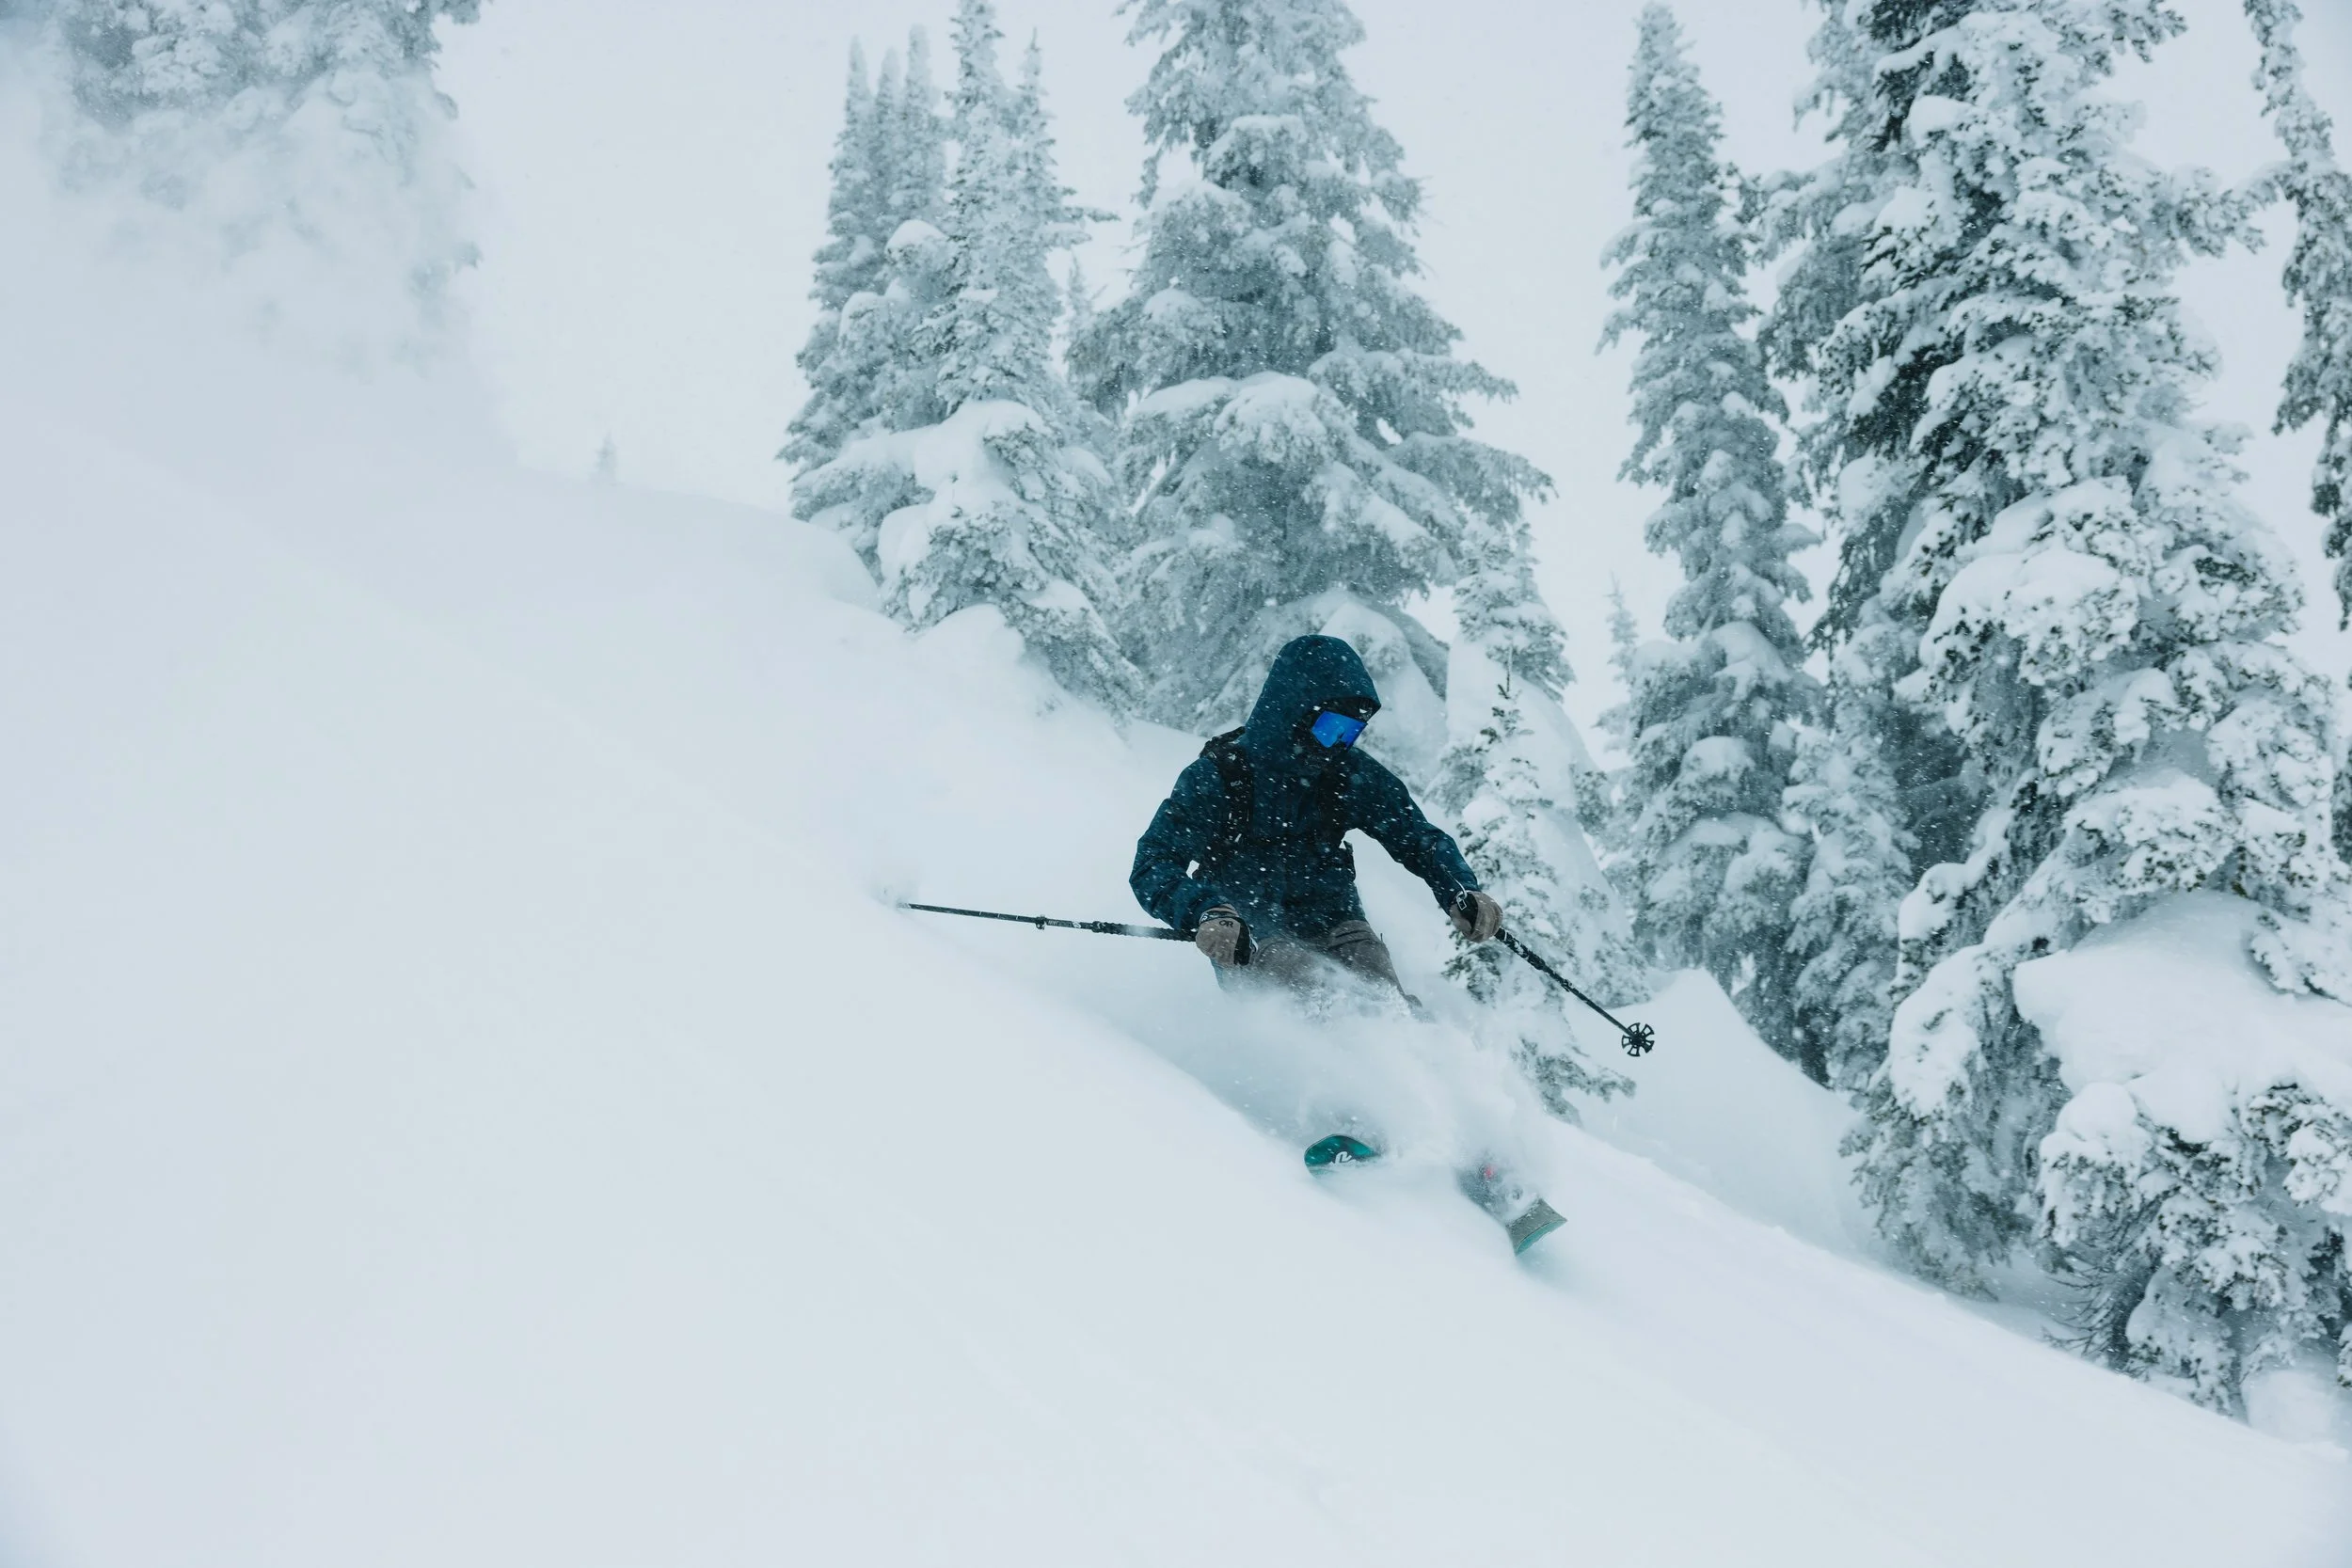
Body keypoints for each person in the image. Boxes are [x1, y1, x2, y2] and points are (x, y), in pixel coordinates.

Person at [1130, 635, 1503, 1006]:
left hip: (1335, 920)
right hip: (1249, 932)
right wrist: (1207, 912)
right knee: (1301, 982)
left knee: (1381, 991)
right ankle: (1303, 1059)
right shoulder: (1218, 778)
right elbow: (1154, 863)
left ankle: (1418, 1049)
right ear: (1293, 713)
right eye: (1329, 729)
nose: (1337, 744)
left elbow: (1416, 836)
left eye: (1350, 732)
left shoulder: (1346, 774)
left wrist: (1459, 888)